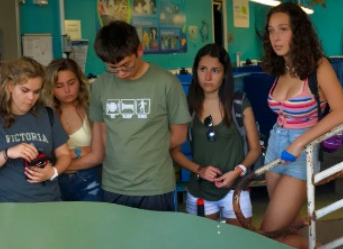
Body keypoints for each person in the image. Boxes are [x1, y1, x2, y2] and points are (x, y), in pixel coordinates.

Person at [260, 2, 343, 249]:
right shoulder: (280, 68)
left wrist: (300, 143)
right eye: (271, 31)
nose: (276, 37)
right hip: (276, 147)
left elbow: (341, 112)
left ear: (298, 32)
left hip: (302, 152)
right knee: (287, 229)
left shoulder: (318, 66)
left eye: (283, 29)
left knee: (269, 234)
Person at [87, 21, 192, 212]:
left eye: (126, 66)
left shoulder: (167, 83)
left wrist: (144, 150)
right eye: (113, 69)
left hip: (155, 186)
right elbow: (102, 134)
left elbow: (179, 135)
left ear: (140, 50)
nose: (120, 74)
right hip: (114, 186)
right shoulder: (100, 85)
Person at [171, 45, 262, 227]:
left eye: (215, 71)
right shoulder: (188, 106)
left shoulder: (239, 103)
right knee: (202, 242)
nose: (208, 77)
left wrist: (237, 171)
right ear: (195, 71)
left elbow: (255, 149)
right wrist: (200, 170)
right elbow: (174, 151)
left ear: (224, 74)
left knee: (240, 241)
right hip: (199, 189)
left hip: (235, 188)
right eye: (202, 69)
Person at [0, 57, 73, 203]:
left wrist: (53, 172)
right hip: (6, 205)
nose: (31, 97)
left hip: (48, 202)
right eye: (25, 90)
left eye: (36, 92)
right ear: (10, 86)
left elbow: (64, 155)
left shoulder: (48, 115)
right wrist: (7, 153)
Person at [48, 58, 104, 202]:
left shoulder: (91, 108)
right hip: (53, 183)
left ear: (80, 81)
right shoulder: (44, 114)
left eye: (71, 83)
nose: (67, 90)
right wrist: (79, 151)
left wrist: (60, 165)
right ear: (50, 88)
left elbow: (99, 154)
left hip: (89, 179)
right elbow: (44, 155)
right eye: (59, 86)